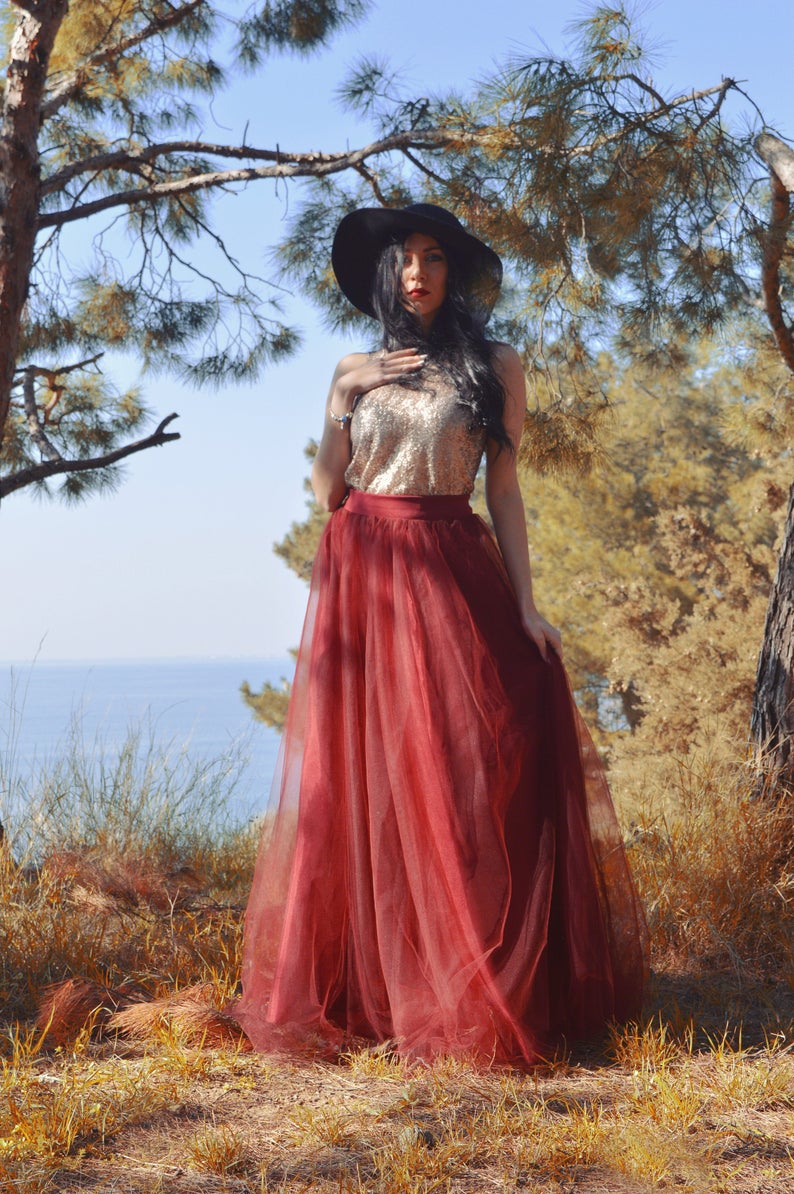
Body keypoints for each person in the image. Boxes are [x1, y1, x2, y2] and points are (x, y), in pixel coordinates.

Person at [235, 202, 647, 1066]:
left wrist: (529, 606)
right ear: (383, 277)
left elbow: (504, 494)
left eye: (431, 257)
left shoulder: (496, 366)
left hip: (453, 563)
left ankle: (475, 980)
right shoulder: (353, 368)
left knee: (470, 768)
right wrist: (343, 407)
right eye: (402, 260)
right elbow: (326, 496)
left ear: (453, 272)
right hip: (364, 571)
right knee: (365, 779)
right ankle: (371, 988)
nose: (416, 272)